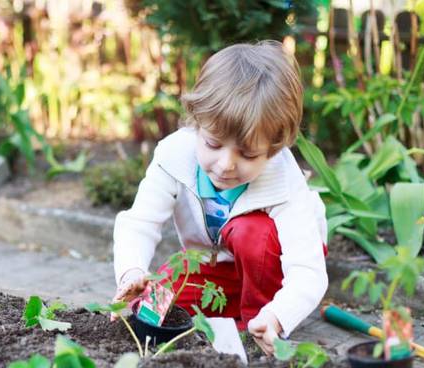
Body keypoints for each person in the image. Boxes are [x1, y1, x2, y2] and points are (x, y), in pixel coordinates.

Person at [111, 40, 328, 355]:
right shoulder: (174, 157)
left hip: (276, 269)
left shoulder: (283, 180)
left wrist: (278, 314)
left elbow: (307, 271)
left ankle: (256, 325)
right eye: (213, 144)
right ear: (197, 123)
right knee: (156, 299)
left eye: (249, 154)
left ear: (274, 149)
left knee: (251, 231)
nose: (226, 165)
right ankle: (222, 314)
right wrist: (132, 271)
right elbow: (140, 222)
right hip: (218, 267)